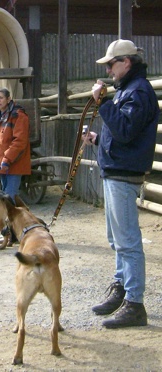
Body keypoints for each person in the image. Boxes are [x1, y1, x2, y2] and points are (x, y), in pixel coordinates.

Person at [86, 39, 160, 329]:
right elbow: (121, 131)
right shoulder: (130, 90)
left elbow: (126, 131)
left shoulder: (138, 92)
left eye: (110, 64)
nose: (108, 69)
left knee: (127, 241)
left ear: (126, 62)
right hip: (116, 171)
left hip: (122, 174)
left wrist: (102, 103)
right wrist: (97, 139)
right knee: (117, 239)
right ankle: (122, 288)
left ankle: (134, 302)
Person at [0, 87, 31, 244]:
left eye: (0, 98)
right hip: (0, 166)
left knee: (8, 200)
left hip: (14, 165)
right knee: (3, 200)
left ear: (8, 99)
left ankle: (12, 234)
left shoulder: (18, 116)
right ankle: (12, 231)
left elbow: (19, 142)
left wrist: (6, 160)